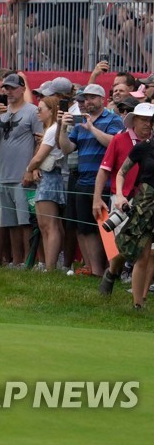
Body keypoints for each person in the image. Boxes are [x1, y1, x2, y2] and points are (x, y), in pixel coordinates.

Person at [57, 82, 122, 276]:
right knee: (84, 228)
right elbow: (67, 148)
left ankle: (113, 271)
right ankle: (96, 270)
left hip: (104, 181)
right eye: (86, 98)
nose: (88, 101)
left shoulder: (113, 119)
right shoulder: (80, 121)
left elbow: (114, 143)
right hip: (83, 180)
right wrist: (62, 128)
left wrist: (91, 128)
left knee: (106, 229)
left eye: (93, 97)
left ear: (102, 99)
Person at [0, 73, 41, 268]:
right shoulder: (0, 112)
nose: (8, 92)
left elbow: (40, 141)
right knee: (10, 223)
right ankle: (17, 260)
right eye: (5, 88)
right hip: (4, 175)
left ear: (22, 89)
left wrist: (31, 169)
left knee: (25, 222)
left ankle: (28, 261)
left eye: (12, 88)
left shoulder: (32, 111)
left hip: (22, 176)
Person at [111, 131, 154, 310]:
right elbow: (121, 172)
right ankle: (137, 304)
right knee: (140, 255)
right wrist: (120, 196)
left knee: (150, 254)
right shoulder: (143, 147)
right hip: (145, 205)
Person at [23, 96, 65, 272]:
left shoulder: (52, 130)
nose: (37, 112)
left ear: (52, 110)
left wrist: (28, 169)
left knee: (50, 225)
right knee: (44, 225)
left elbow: (39, 157)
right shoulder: (49, 130)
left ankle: (51, 267)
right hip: (46, 177)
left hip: (50, 177)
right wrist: (33, 168)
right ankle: (49, 265)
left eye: (41, 109)